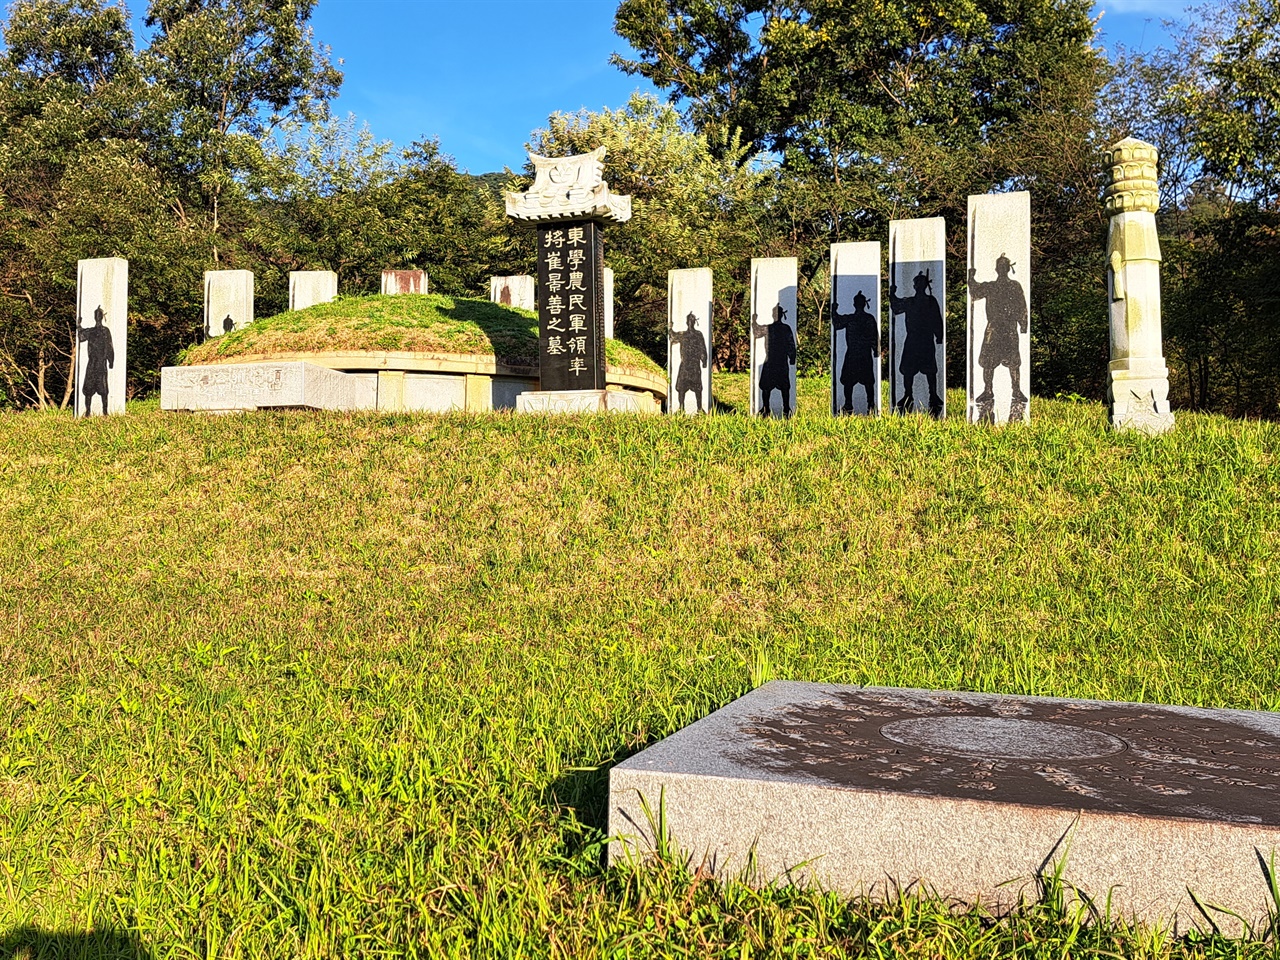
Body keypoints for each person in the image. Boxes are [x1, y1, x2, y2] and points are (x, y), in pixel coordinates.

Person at [968, 253, 1028, 422]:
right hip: (994, 327)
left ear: (1005, 269)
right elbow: (975, 293)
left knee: (1013, 361)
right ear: (998, 269)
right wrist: (971, 277)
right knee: (988, 362)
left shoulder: (1014, 286)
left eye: (1003, 267)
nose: (1001, 270)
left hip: (1007, 327)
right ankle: (988, 390)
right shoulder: (992, 286)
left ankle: (1016, 389)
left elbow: (1021, 305)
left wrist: (1023, 324)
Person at [888, 270, 944, 418]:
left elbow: (937, 319)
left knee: (930, 370)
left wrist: (939, 336)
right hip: (913, 339)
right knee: (908, 370)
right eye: (917, 283)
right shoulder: (910, 301)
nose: (918, 286)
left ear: (924, 285)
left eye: (920, 283)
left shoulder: (930, 301)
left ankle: (933, 395)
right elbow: (896, 307)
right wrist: (892, 293)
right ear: (914, 286)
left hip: (925, 339)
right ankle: (908, 394)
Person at [831, 290, 878, 414]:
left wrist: (834, 311)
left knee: (866, 381)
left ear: (855, 304)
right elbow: (837, 324)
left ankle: (870, 405)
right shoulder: (857, 318)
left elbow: (874, 336)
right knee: (849, 381)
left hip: (860, 353)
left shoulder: (863, 319)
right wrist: (834, 311)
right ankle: (850, 405)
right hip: (856, 353)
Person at [751, 302, 796, 417]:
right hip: (772, 360)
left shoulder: (784, 328)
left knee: (784, 387)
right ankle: (766, 408)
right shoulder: (770, 328)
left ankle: (786, 408)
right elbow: (757, 332)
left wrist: (792, 357)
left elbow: (791, 344)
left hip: (778, 360)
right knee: (766, 387)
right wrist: (754, 321)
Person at [668, 310, 708, 412]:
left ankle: (699, 408)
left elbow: (703, 348)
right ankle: (681, 408)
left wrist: (704, 360)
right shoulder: (683, 334)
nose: (690, 322)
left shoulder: (698, 334)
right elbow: (673, 337)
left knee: (698, 387)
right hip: (685, 364)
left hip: (695, 364)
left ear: (694, 322)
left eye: (692, 320)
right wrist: (670, 328)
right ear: (687, 322)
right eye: (689, 320)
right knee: (681, 387)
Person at [78, 305, 114, 416]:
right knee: (90, 388)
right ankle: (90, 411)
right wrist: (110, 360)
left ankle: (104, 411)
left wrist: (111, 360)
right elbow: (81, 337)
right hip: (95, 363)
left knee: (102, 388)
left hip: (97, 363)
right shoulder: (95, 331)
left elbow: (109, 346)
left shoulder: (102, 331)